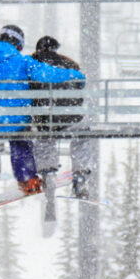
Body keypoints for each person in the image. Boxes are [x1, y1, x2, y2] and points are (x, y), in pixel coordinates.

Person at [0, 25, 85, 212]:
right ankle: (27, 178)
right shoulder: (25, 63)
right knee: (21, 137)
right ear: (19, 45)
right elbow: (48, 74)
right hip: (18, 121)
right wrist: (75, 75)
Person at [29, 35, 84, 178]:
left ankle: (48, 172)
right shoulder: (70, 65)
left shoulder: (32, 65)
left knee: (44, 134)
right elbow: (81, 88)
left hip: (44, 118)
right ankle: (81, 171)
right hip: (71, 117)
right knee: (82, 135)